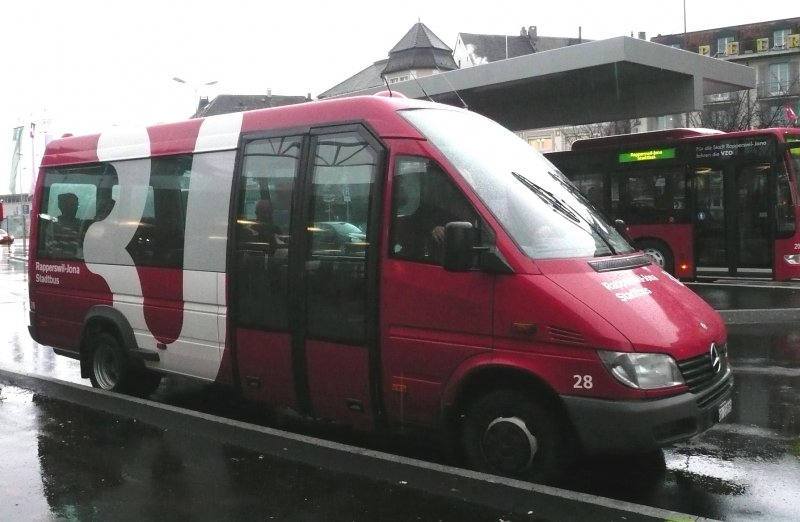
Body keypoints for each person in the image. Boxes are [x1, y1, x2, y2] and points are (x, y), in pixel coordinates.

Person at [48, 192, 83, 258]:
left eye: (76, 205)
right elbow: (53, 251)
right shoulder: (53, 225)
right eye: (70, 205)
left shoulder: (82, 225)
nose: (74, 208)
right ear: (61, 206)